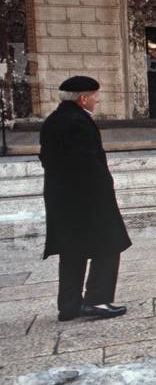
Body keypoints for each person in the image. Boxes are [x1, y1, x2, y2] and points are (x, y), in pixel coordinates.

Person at [39, 76, 131, 322]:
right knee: (109, 244)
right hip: (88, 199)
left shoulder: (53, 121)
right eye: (95, 95)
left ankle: (68, 306)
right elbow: (88, 164)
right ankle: (97, 301)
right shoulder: (77, 122)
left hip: (62, 198)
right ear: (83, 98)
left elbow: (46, 159)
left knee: (73, 250)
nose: (98, 100)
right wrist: (103, 193)